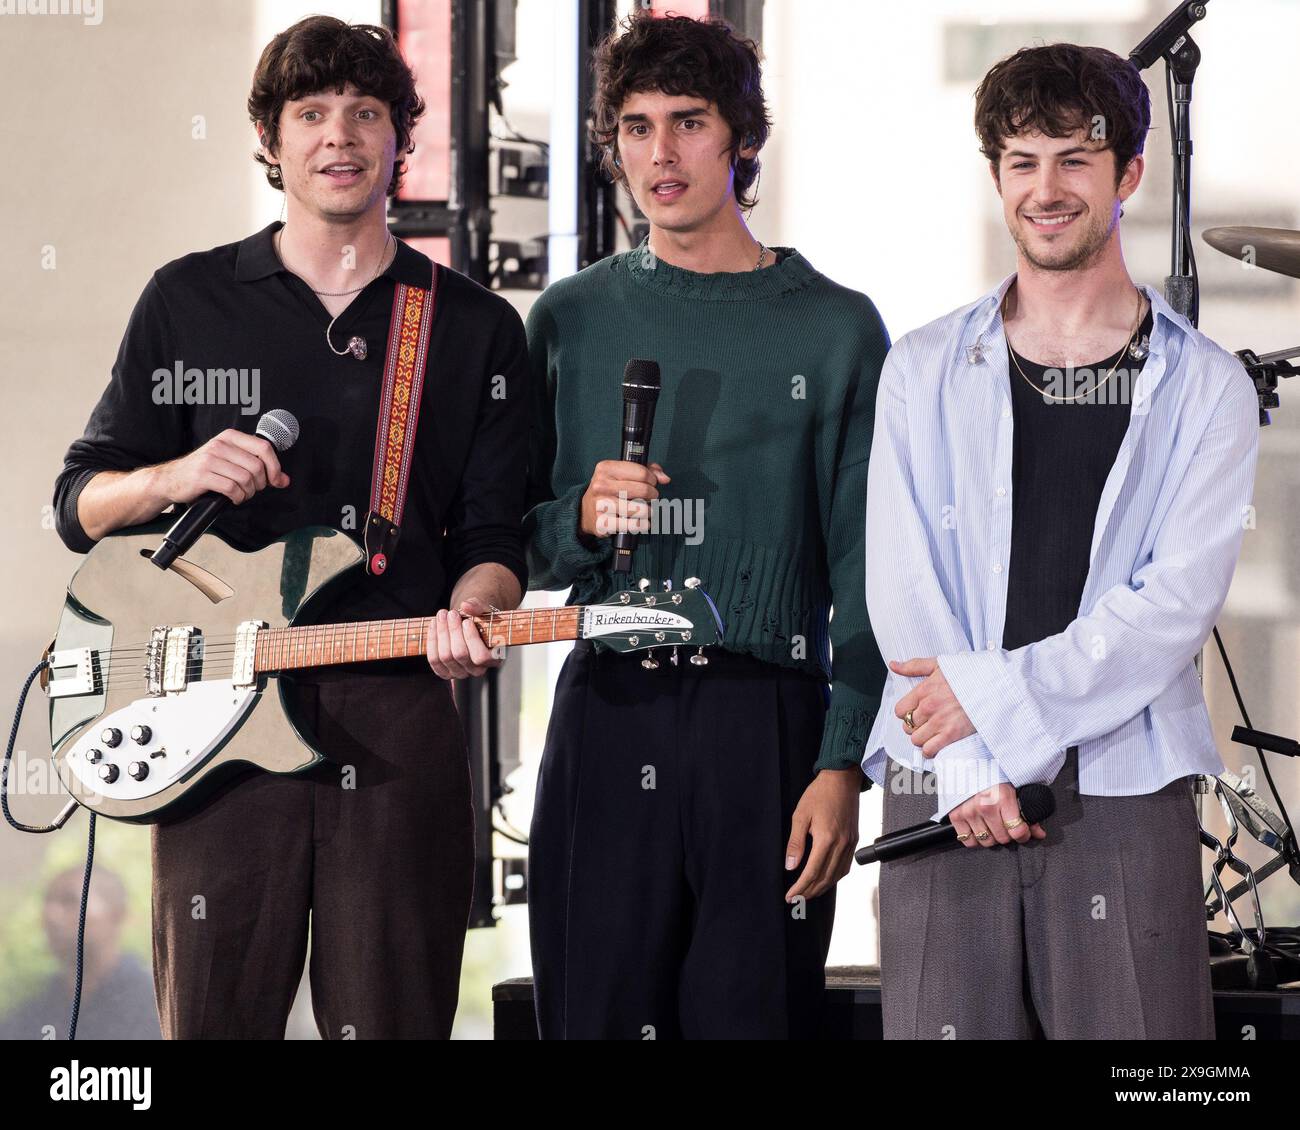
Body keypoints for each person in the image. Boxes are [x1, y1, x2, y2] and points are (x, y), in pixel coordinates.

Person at [51, 16, 529, 1039]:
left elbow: (496, 537)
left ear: (404, 137)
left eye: (365, 112)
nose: (338, 136)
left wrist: (474, 608)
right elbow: (78, 503)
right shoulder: (188, 300)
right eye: (309, 113)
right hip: (211, 707)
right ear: (269, 140)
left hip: (396, 702)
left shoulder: (473, 326)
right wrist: (174, 474)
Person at [863, 43, 1258, 1039]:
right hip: (936, 770)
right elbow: (900, 583)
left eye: (1073, 159)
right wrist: (968, 763)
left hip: (1124, 774)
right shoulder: (919, 366)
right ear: (996, 176)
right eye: (1019, 160)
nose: (1045, 188)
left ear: (1127, 174)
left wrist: (995, 704)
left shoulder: (1206, 385)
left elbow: (1170, 605)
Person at [523, 12, 889, 1039]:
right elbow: (509, 545)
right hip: (606, 705)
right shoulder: (568, 318)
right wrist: (581, 519)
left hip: (766, 721)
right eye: (635, 128)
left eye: (687, 123)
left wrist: (841, 758)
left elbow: (867, 567)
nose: (659, 154)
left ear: (742, 140)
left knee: (753, 1017)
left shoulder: (836, 325)